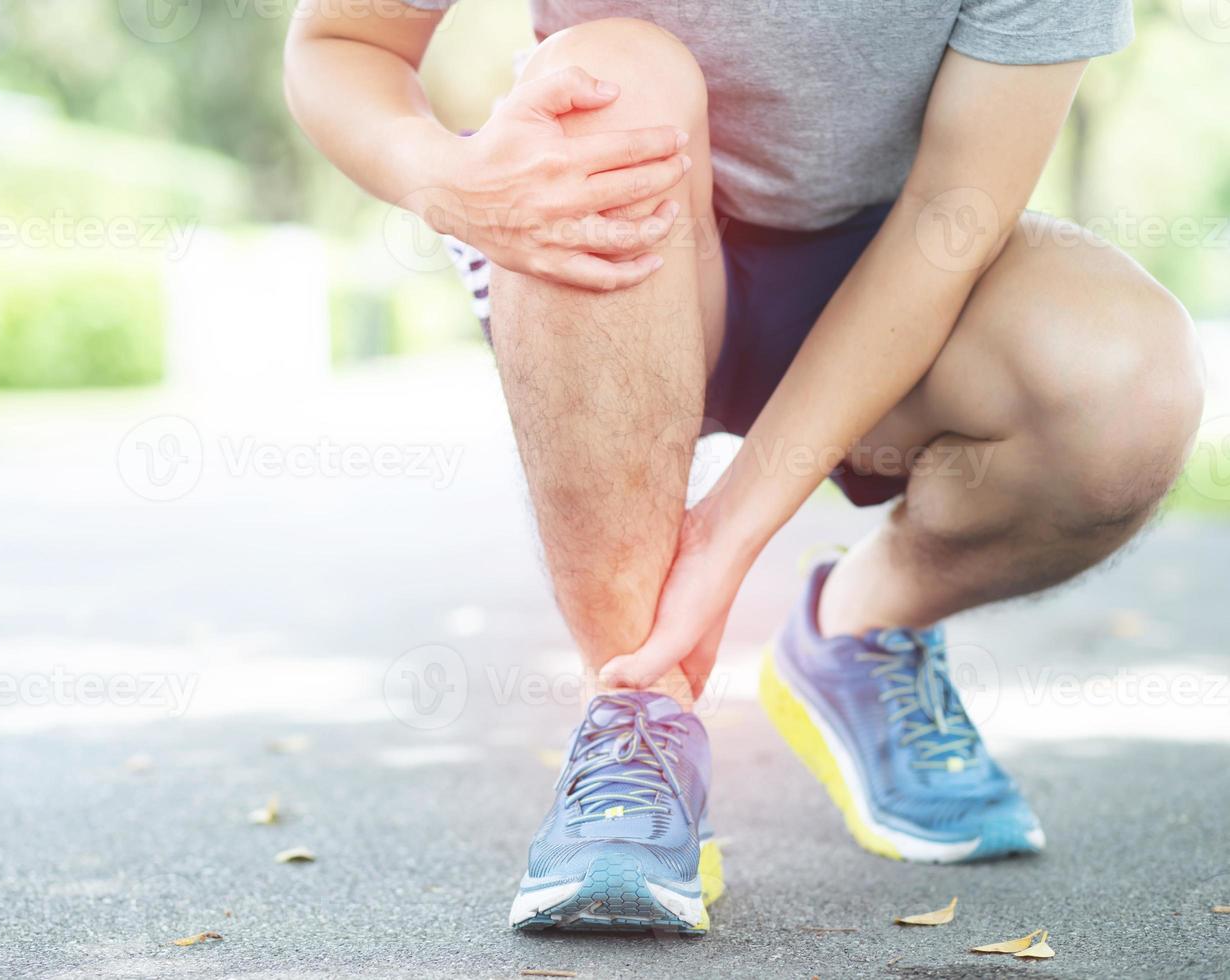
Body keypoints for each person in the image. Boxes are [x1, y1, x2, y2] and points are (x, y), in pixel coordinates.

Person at [283, 0, 1204, 934]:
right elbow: (341, 43)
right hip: (636, 241)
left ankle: (858, 631)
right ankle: (640, 711)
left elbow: (947, 220)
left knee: (1128, 385)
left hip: (895, 275)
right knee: (608, 94)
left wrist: (727, 535)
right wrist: (448, 182)